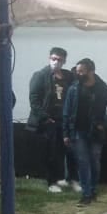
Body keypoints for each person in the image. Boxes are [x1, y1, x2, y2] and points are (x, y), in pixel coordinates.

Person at [62, 58, 107, 206]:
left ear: (91, 71)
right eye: (77, 71)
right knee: (83, 162)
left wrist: (104, 124)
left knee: (94, 161)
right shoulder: (74, 88)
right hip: (78, 131)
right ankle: (86, 193)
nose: (78, 74)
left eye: (82, 71)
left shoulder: (103, 89)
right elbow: (66, 112)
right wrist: (66, 133)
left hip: (95, 131)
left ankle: (93, 190)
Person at [27, 46, 76, 193]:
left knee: (67, 151)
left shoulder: (68, 76)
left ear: (64, 61)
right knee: (52, 153)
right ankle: (51, 182)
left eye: (59, 60)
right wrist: (45, 117)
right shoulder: (40, 75)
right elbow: (34, 100)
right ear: (49, 58)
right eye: (53, 59)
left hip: (65, 119)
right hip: (50, 120)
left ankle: (66, 179)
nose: (56, 62)